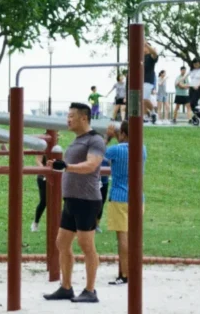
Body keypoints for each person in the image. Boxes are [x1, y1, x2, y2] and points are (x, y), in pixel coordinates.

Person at [43, 103, 106, 303]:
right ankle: (66, 287)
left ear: (84, 118)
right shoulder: (77, 141)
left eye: (71, 116)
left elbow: (91, 165)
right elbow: (70, 167)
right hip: (71, 200)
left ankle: (90, 291)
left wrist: (67, 166)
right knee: (62, 243)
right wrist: (59, 166)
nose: (68, 120)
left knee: (86, 245)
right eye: (68, 116)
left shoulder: (95, 140)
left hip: (87, 200)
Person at [102, 121, 146, 285]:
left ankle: (125, 274)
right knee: (134, 237)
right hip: (138, 198)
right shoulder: (142, 149)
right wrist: (119, 136)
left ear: (123, 134)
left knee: (123, 237)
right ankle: (134, 271)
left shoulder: (115, 150)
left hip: (119, 197)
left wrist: (107, 137)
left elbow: (98, 155)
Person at [31, 153, 48, 232]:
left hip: (54, 177)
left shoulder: (56, 148)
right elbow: (38, 161)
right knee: (44, 201)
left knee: (56, 201)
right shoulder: (42, 147)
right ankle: (35, 223)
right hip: (43, 178)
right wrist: (45, 172)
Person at [142, 43, 159, 124]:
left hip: (148, 81)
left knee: (144, 99)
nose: (143, 48)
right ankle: (146, 115)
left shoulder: (151, 57)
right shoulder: (142, 58)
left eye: (144, 47)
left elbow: (155, 54)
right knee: (142, 100)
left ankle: (153, 113)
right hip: (141, 81)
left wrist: (146, 43)